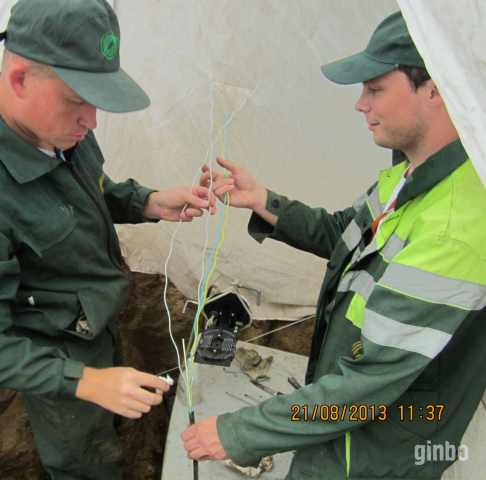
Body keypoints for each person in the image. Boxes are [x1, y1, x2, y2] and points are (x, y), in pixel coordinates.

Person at [182, 11, 486, 479]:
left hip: (374, 455)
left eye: (376, 89)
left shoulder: (454, 228)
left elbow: (363, 387)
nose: (360, 104)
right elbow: (349, 236)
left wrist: (242, 432)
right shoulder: (412, 172)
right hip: (346, 428)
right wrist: (263, 202)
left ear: (436, 88)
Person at [0, 0, 215, 478]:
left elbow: (85, 190)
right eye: (79, 100)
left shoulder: (55, 127)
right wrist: (85, 382)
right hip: (52, 355)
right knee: (84, 461)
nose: (92, 120)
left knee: (113, 431)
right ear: (19, 79)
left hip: (97, 318)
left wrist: (145, 201)